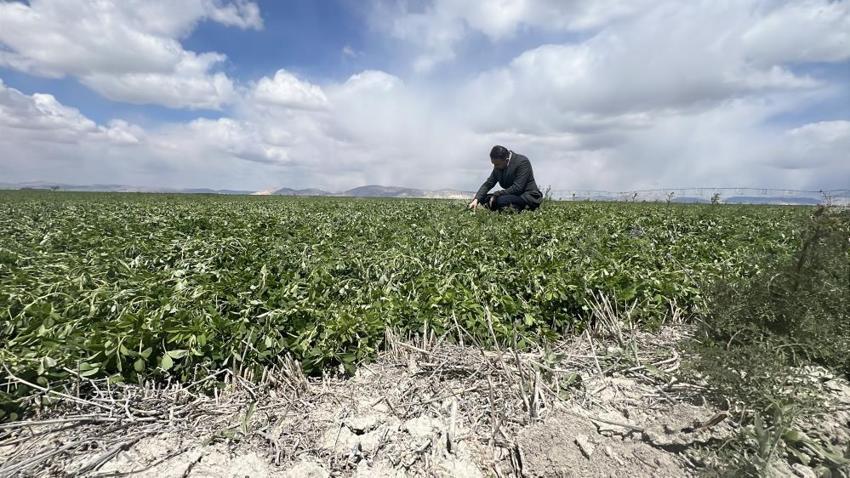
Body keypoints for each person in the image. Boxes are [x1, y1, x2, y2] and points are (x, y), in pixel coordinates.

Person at [468, 145, 543, 212]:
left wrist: (496, 194)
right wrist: (476, 200)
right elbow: (488, 184)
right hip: (510, 196)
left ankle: (513, 208)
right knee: (483, 197)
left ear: (506, 160)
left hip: (526, 197)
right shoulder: (498, 167)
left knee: (501, 201)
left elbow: (518, 188)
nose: (495, 167)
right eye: (493, 164)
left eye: (497, 164)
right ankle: (501, 207)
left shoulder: (522, 162)